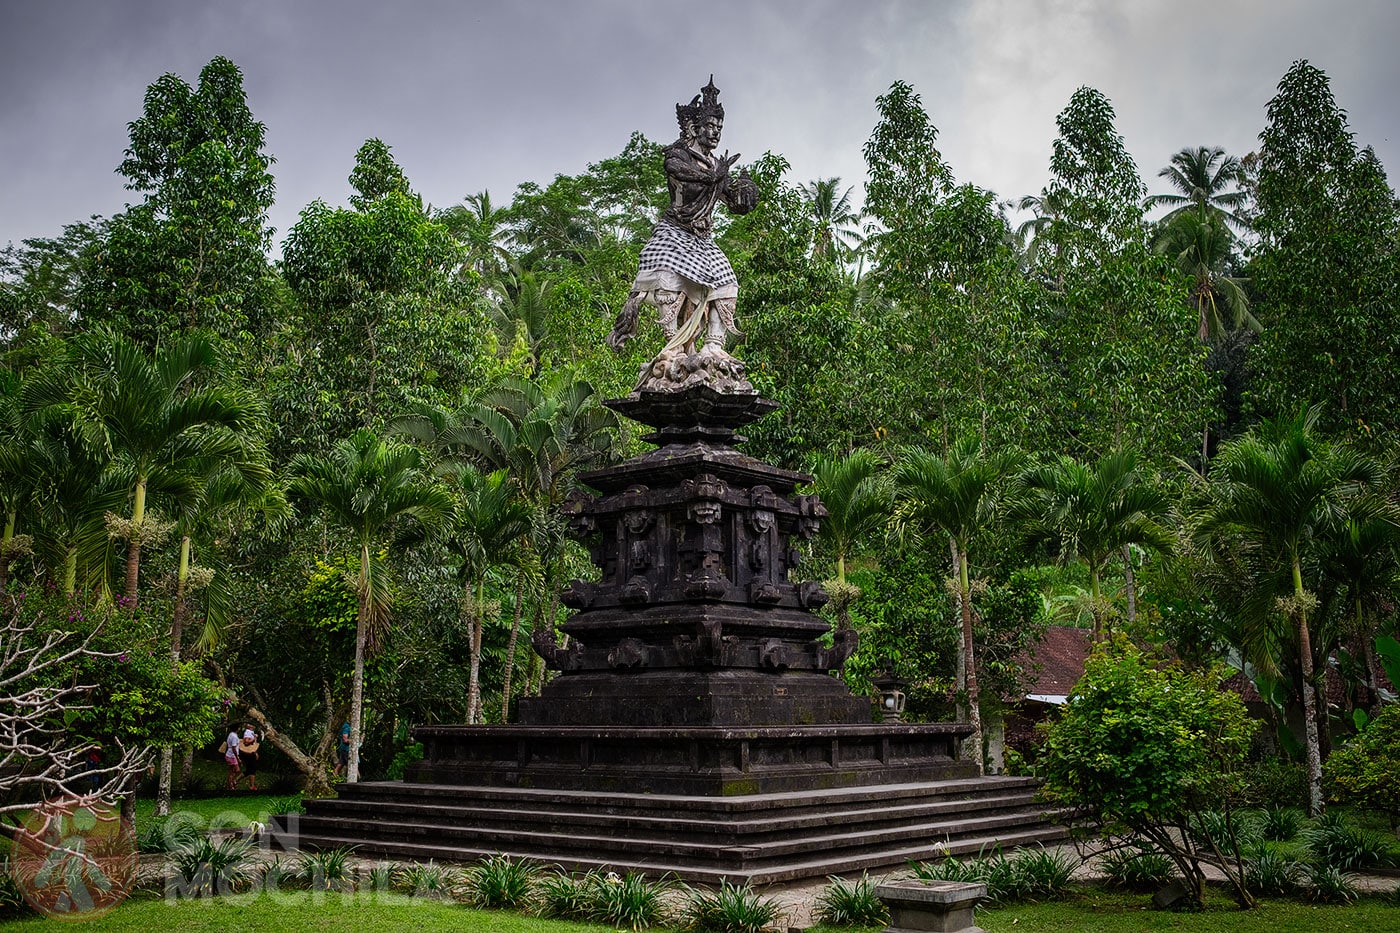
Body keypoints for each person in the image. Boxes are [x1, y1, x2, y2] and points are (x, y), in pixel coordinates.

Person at [608, 76, 758, 377]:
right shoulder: (679, 155)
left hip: (703, 237)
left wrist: (745, 194)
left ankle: (713, 345)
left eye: (719, 128)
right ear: (694, 128)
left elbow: (732, 200)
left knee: (726, 283)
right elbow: (678, 171)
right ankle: (673, 345)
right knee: (667, 275)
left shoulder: (716, 166)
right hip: (675, 231)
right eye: (710, 127)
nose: (715, 133)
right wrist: (714, 178)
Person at [235, 726, 260, 792]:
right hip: (248, 754)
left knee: (250, 770)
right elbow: (246, 742)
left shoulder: (251, 732)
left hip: (251, 753)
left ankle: (236, 780)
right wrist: (254, 738)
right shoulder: (248, 732)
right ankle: (251, 786)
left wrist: (255, 752)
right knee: (252, 769)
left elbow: (252, 745)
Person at [224, 725, 241, 791]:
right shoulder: (234, 736)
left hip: (229, 754)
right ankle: (230, 785)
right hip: (232, 756)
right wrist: (237, 757)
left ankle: (229, 784)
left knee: (233, 771)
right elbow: (234, 748)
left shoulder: (231, 734)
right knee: (235, 771)